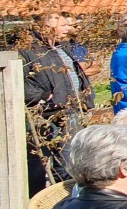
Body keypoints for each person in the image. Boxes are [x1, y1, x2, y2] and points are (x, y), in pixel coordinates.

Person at [21, 13, 92, 194]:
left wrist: (85, 97)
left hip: (69, 110)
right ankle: (38, 201)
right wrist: (43, 96)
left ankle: (65, 198)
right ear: (46, 28)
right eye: (62, 25)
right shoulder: (28, 50)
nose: (67, 29)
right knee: (40, 162)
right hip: (45, 113)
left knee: (69, 160)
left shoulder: (61, 47)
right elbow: (18, 81)